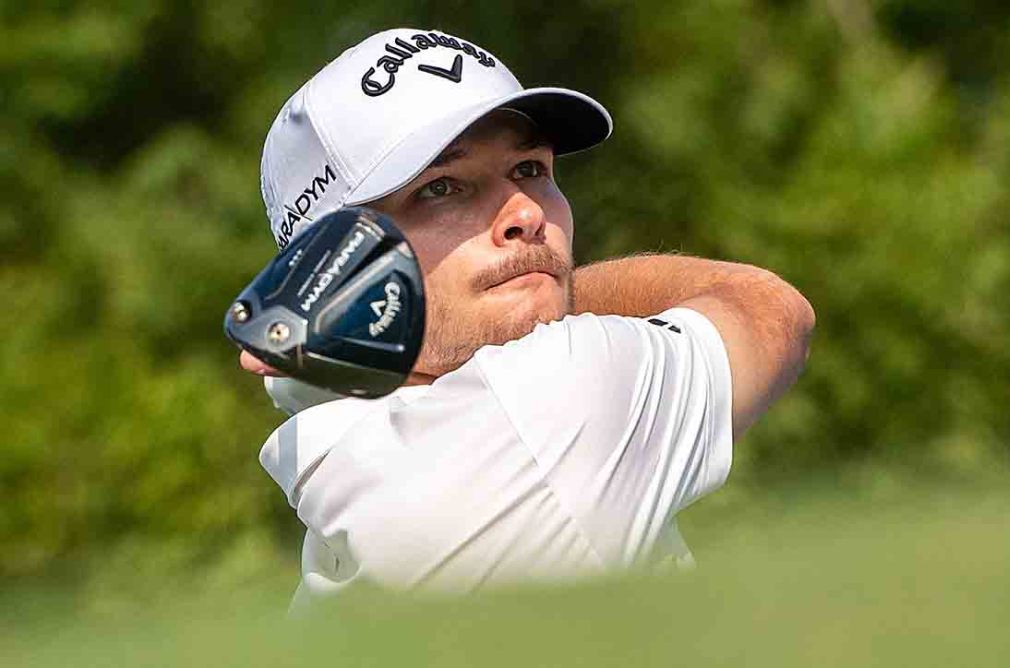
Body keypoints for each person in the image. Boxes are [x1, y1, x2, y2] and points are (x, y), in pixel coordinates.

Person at [240, 27, 814, 605]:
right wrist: (545, 297)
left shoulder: (335, 449)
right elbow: (766, 309)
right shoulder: (553, 398)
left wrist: (527, 293)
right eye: (441, 188)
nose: (525, 213)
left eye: (529, 170)